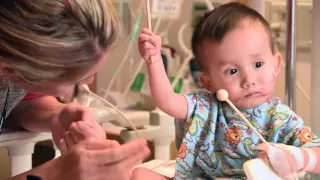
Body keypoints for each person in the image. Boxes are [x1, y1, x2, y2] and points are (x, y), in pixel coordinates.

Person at [135, 2, 320, 179]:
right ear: (209, 83)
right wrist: (155, 61)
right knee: (141, 174)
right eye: (232, 71)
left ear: (276, 65)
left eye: (258, 64)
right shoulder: (206, 107)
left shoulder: (282, 120)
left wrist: (299, 157)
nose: (249, 80)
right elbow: (167, 101)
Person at [0, 0, 150, 179]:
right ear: (8, 69)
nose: (90, 81)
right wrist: (56, 173)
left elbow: (15, 97)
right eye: (78, 79)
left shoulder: (13, 51)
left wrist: (52, 114)